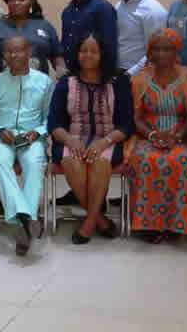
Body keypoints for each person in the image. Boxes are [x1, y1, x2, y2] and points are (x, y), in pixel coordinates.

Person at [48, 33, 132, 244]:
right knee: (72, 162)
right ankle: (99, 220)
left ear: (103, 54)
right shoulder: (66, 82)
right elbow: (54, 123)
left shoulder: (118, 82)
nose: (87, 55)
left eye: (93, 51)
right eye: (83, 51)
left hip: (108, 139)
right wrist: (70, 140)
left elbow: (126, 124)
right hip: (72, 138)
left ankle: (89, 222)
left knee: (100, 162)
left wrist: (104, 142)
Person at [127, 29, 187, 243]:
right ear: (149, 53)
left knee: (181, 159)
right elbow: (136, 117)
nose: (161, 53)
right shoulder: (139, 80)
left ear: (177, 51)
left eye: (167, 49)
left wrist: (176, 136)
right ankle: (147, 225)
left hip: (181, 135)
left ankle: (174, 223)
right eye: (156, 49)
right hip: (146, 135)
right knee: (145, 159)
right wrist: (152, 135)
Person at [0, 36, 52, 256]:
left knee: (35, 163)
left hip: (32, 138)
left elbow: (50, 118)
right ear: (3, 55)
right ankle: (28, 220)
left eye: (19, 50)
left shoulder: (44, 82)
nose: (14, 55)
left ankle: (22, 224)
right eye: (9, 52)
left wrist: (38, 132)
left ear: (29, 52)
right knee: (0, 160)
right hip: (1, 138)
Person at [61, 0, 118, 70]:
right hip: (70, 75)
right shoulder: (67, 11)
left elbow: (109, 50)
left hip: (94, 77)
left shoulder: (103, 9)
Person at [115, 0, 167, 76]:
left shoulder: (153, 10)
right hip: (117, 72)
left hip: (139, 76)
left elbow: (156, 51)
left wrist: (130, 74)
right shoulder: (119, 5)